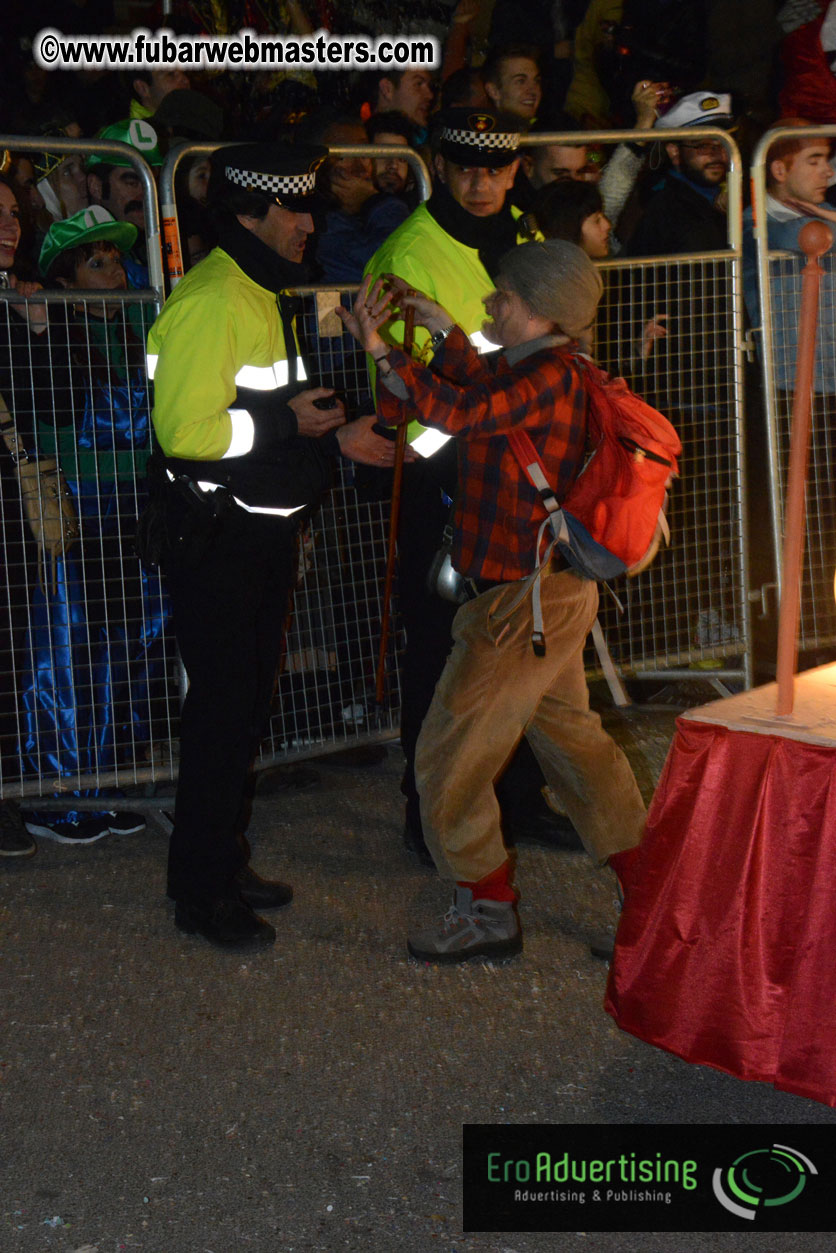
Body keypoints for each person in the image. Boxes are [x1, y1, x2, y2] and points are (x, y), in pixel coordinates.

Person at [339, 243, 646, 962]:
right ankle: (650, 889)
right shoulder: (547, 370)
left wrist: (384, 351)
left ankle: (487, 907)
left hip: (519, 608)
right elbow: (481, 392)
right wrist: (442, 331)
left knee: (446, 763)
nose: (488, 306)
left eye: (499, 296)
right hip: (548, 599)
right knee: (576, 746)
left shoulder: (548, 379)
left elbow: (461, 409)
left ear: (539, 309)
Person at [146, 143, 407, 951]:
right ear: (250, 215)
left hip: (254, 535)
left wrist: (330, 436)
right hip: (219, 542)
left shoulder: (257, 291)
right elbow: (184, 432)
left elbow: (257, 415)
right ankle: (201, 890)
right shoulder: (214, 299)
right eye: (294, 210)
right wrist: (288, 422)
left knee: (242, 709)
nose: (309, 223)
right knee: (222, 716)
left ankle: (221, 860)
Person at [366, 106, 558, 866]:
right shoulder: (409, 251)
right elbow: (407, 394)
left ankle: (521, 797)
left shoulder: (530, 239)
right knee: (440, 656)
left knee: (527, 644)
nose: (481, 182)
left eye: (497, 167)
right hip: (444, 474)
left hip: (528, 470)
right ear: (441, 167)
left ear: (515, 170)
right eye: (466, 166)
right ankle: (431, 809)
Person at [482, 45, 543, 125]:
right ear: (494, 91)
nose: (533, 91)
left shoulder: (550, 133)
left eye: (536, 81)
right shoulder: (483, 135)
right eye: (521, 81)